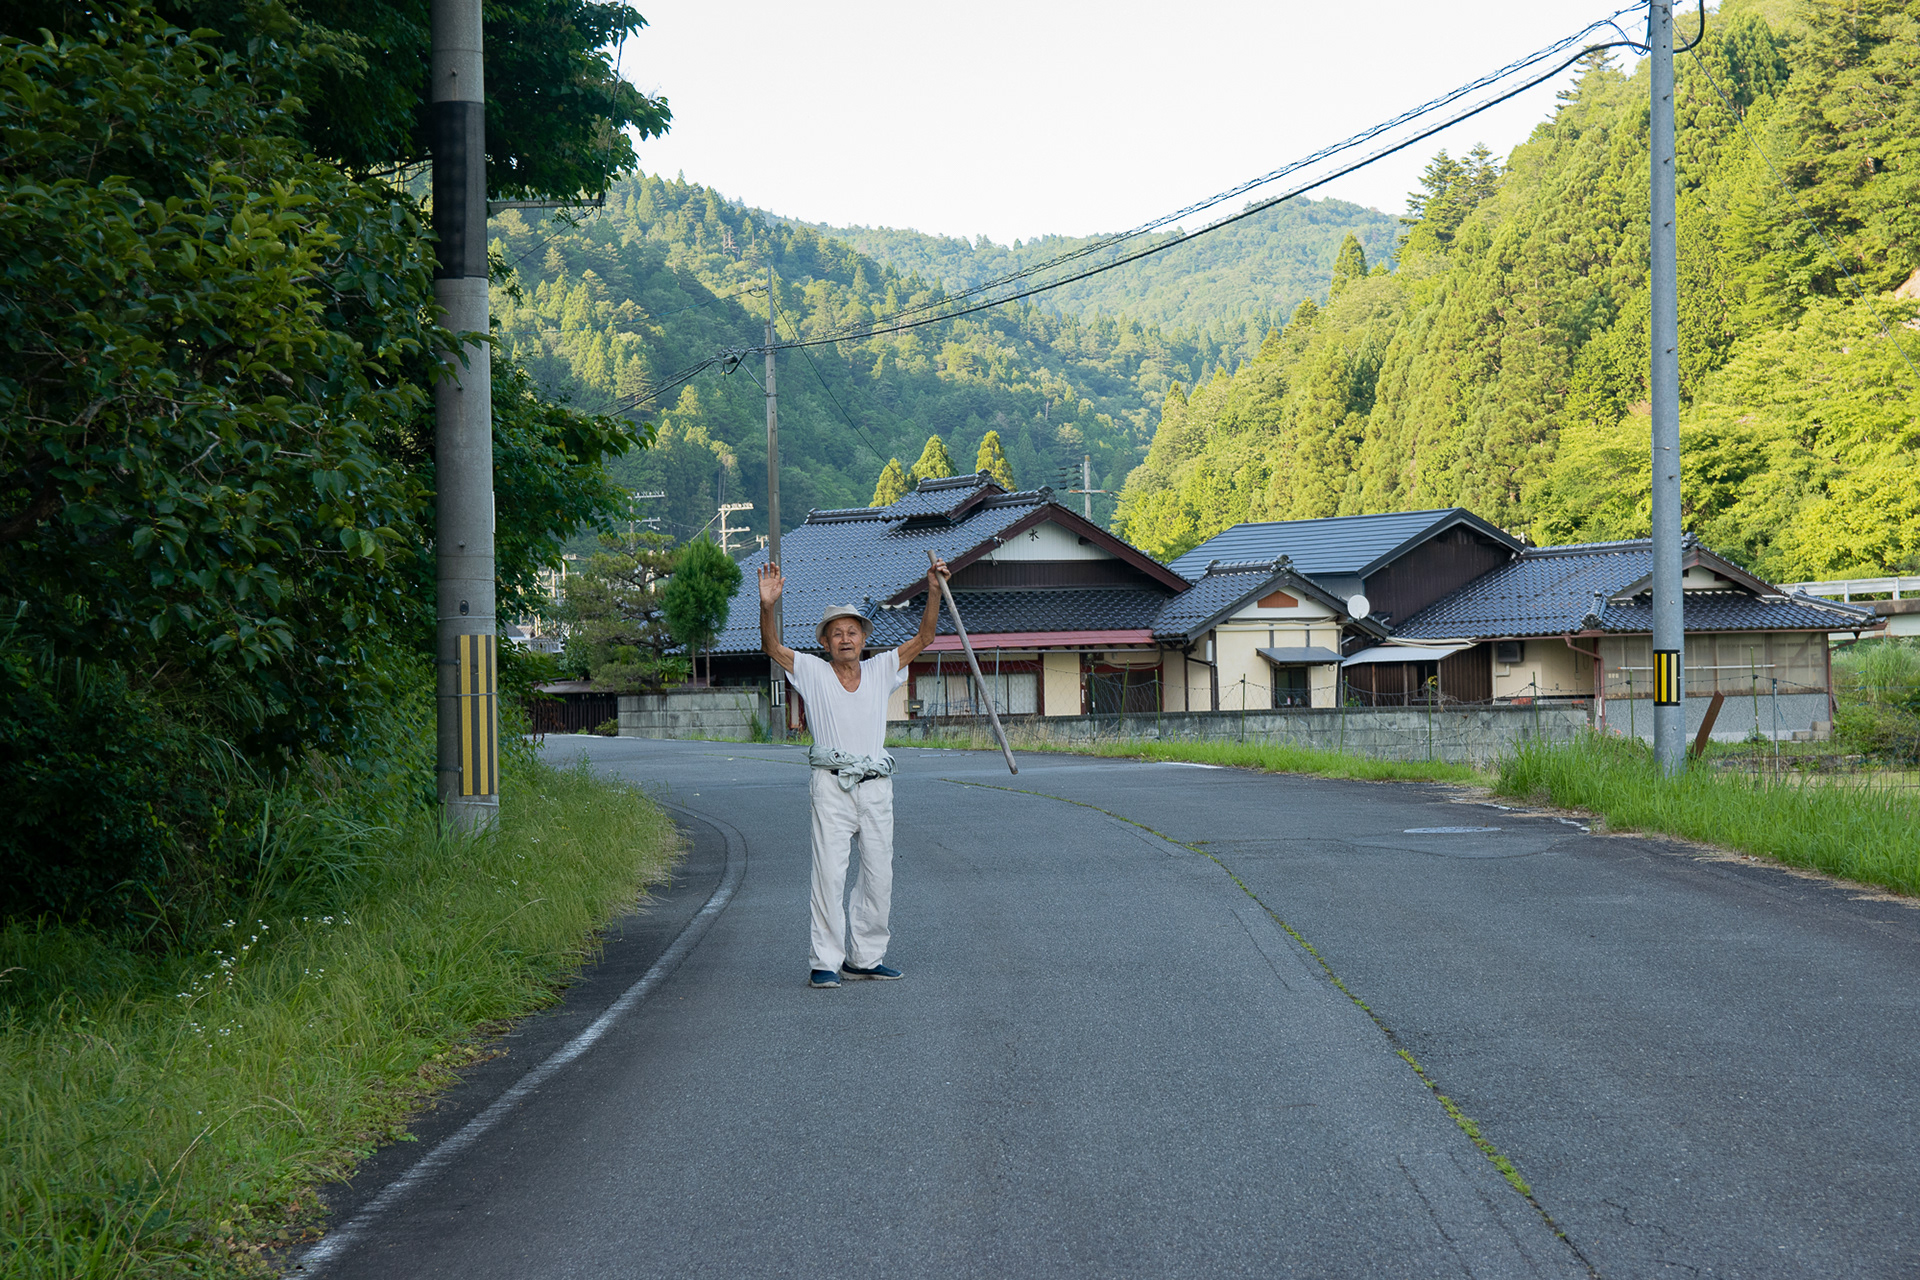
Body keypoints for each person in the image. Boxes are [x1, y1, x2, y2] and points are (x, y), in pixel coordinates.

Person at [759, 555, 949, 989]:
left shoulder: (882, 668)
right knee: (828, 873)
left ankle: (866, 957)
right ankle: (825, 960)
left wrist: (934, 589)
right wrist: (768, 606)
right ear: (825, 643)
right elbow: (772, 648)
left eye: (852, 632)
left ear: (865, 638)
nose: (845, 639)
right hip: (831, 785)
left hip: (876, 787)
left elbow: (926, 635)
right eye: (836, 634)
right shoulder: (812, 671)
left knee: (880, 874)